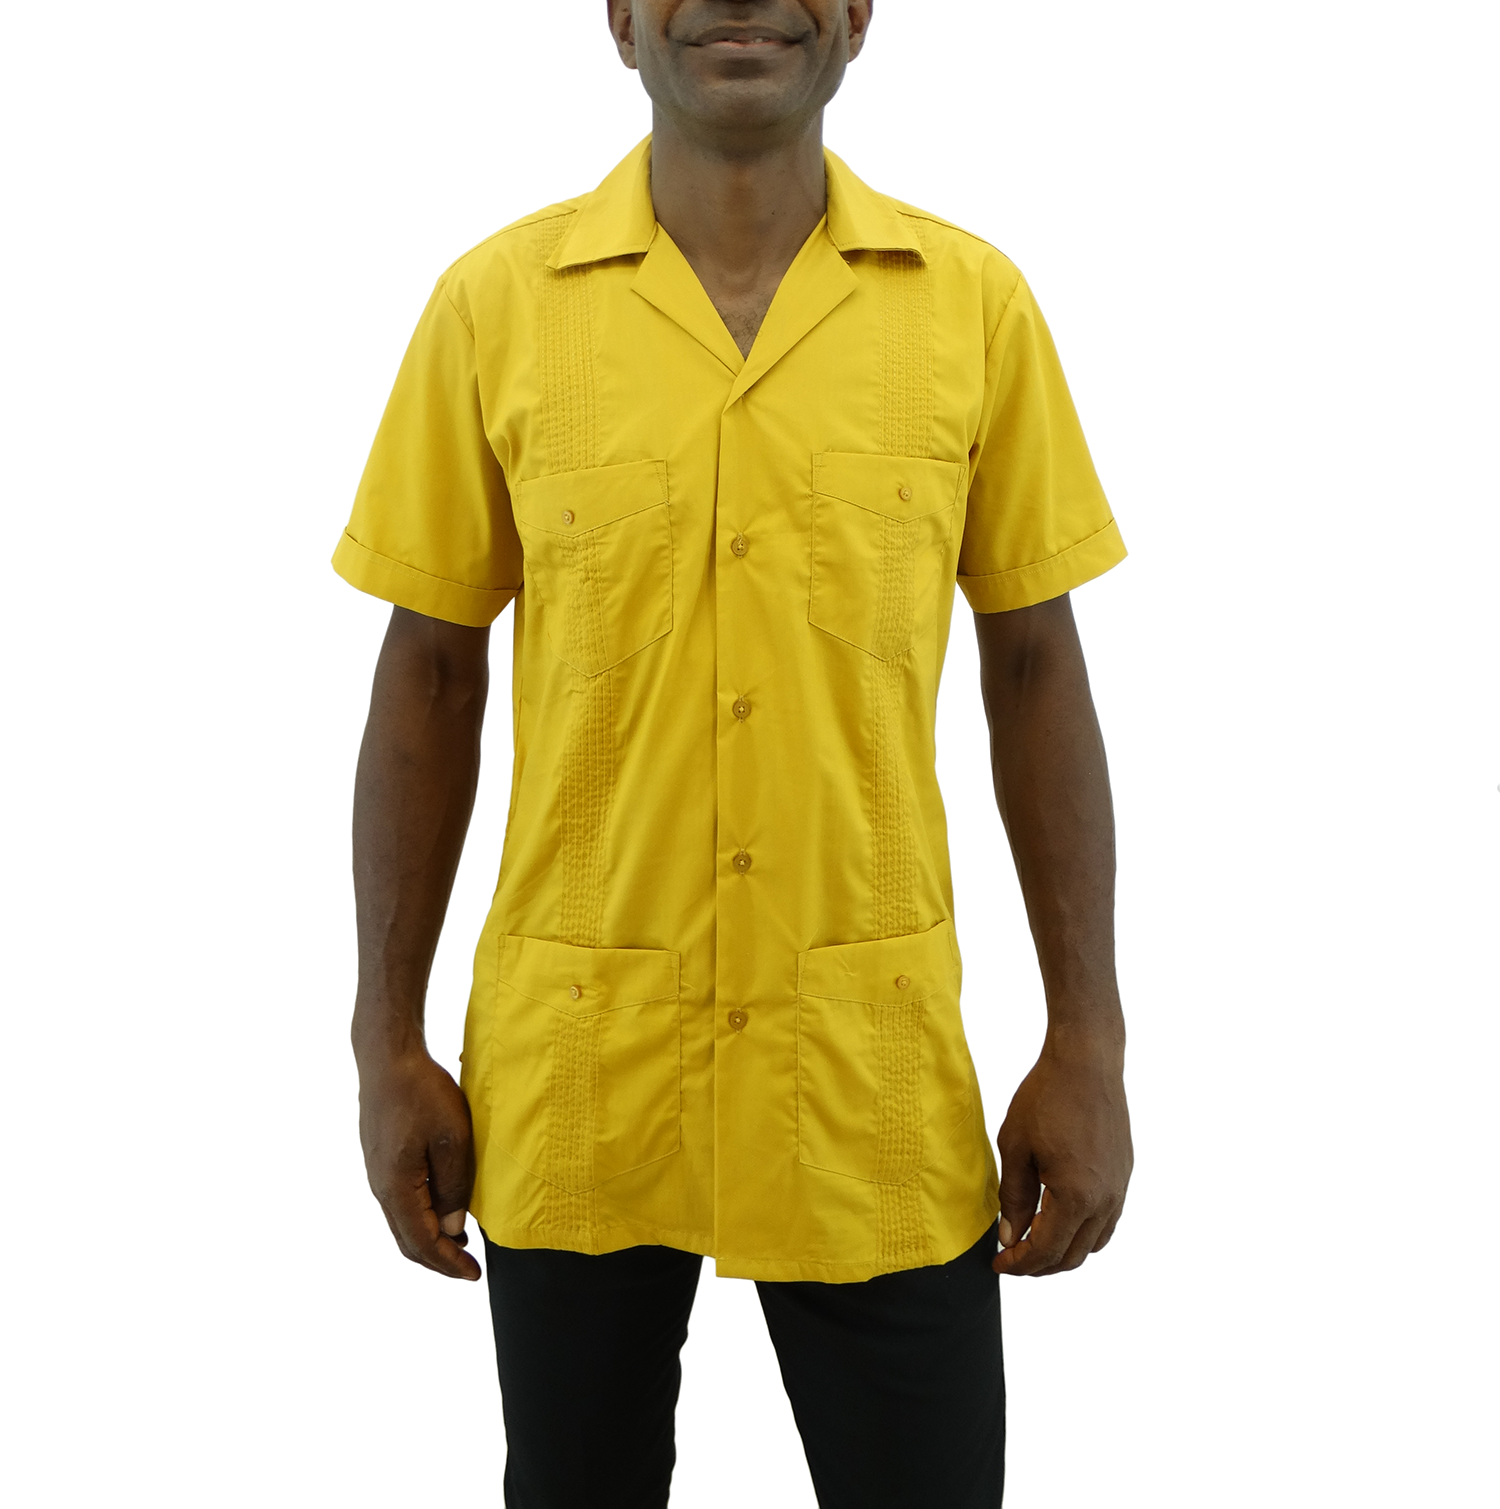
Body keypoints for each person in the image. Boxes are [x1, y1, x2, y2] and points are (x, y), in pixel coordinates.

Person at [334, 3, 1133, 1505]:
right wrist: (386, 1042)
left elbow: (1035, 667)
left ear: (860, 16)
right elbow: (429, 677)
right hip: (583, 1073)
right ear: (620, 19)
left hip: (871, 1080)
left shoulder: (973, 306)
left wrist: (1088, 1037)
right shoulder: (494, 307)